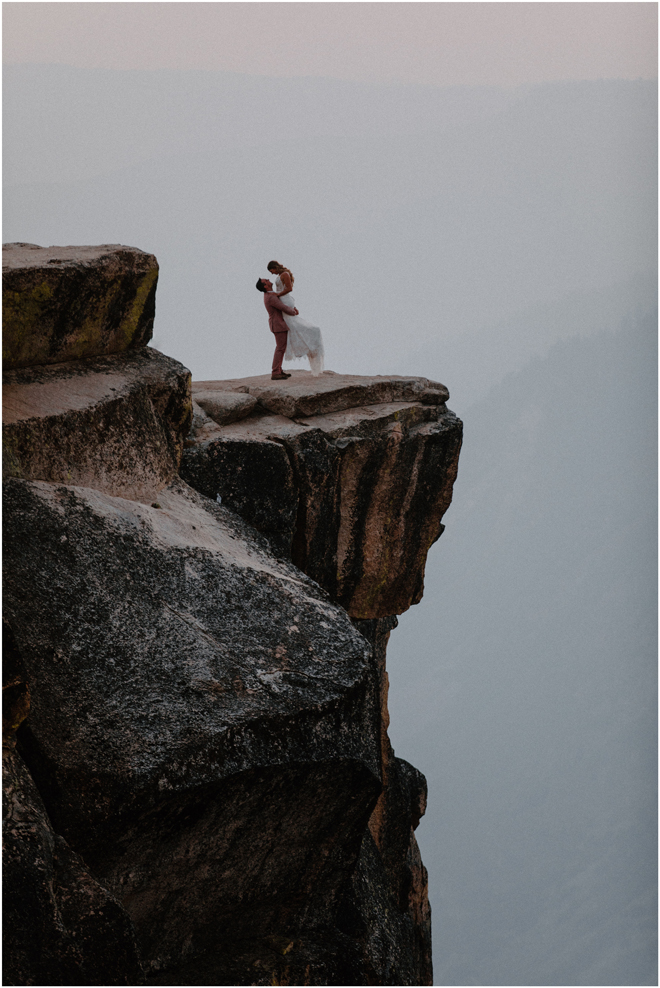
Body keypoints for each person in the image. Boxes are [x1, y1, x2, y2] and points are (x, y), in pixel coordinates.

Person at [267, 261, 325, 376]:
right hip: (282, 300)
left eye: (271, 271)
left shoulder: (284, 274)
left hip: (285, 299)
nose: (272, 273)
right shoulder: (280, 275)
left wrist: (278, 295)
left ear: (274, 267)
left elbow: (289, 288)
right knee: (291, 325)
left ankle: (309, 342)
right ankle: (303, 343)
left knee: (293, 324)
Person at [255, 277, 299, 380]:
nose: (268, 279)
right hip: (277, 325)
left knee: (281, 348)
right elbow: (282, 307)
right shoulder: (270, 297)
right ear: (266, 286)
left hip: (277, 324)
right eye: (266, 280)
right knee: (280, 348)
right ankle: (275, 372)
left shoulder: (270, 295)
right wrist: (293, 312)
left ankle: (278, 370)